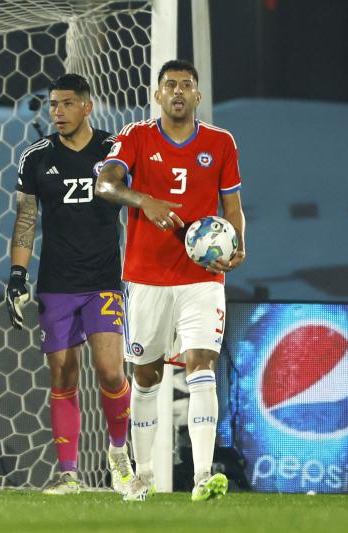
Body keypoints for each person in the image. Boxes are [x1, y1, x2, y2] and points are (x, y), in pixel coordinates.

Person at [94, 59, 246, 502]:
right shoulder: (135, 136)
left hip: (202, 276)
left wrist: (238, 243)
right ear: (157, 95)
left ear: (198, 96)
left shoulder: (220, 142)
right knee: (146, 375)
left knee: (202, 366)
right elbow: (104, 185)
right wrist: (145, 201)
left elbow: (232, 204)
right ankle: (141, 477)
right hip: (146, 276)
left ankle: (203, 477)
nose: (178, 91)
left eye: (186, 85)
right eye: (170, 85)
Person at [6, 74, 134, 495]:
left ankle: (118, 454)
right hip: (57, 282)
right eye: (53, 105)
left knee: (111, 372)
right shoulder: (36, 157)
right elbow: (26, 218)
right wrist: (17, 275)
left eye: (65, 104)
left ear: (86, 106)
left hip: (103, 280)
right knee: (62, 375)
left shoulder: (113, 152)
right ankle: (68, 475)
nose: (56, 112)